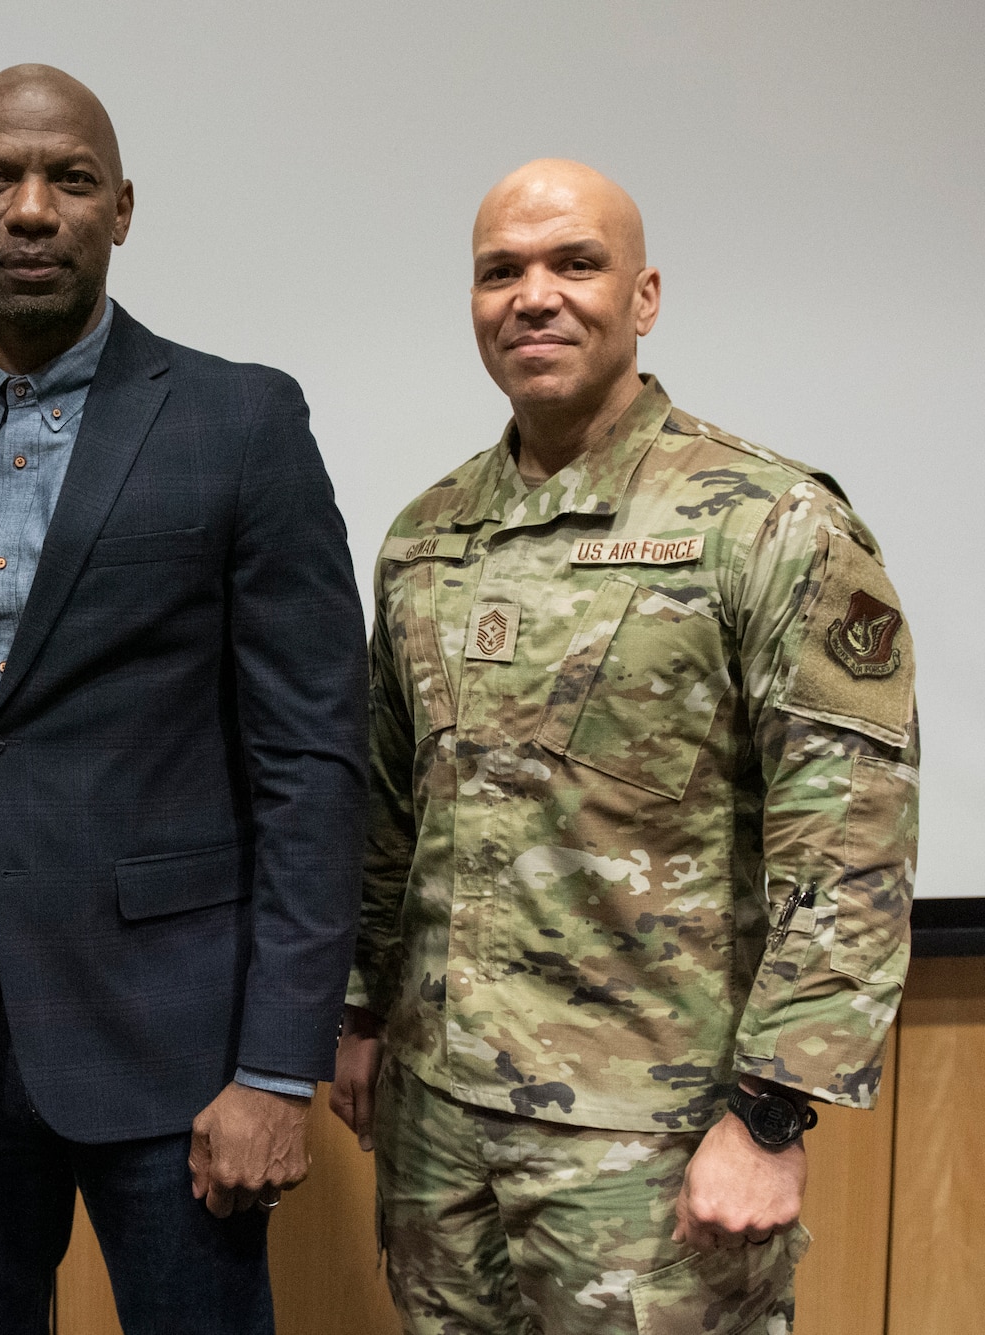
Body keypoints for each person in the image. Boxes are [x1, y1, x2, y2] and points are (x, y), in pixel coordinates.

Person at [0, 64, 367, 1334]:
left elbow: (312, 766)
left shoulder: (241, 420)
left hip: (179, 1048)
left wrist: (278, 1067)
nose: (32, 209)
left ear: (121, 208)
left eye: (68, 179)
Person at [330, 159, 918, 1333]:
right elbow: (391, 809)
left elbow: (847, 837)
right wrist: (355, 1013)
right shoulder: (425, 536)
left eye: (572, 265)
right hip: (439, 1132)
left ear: (642, 297)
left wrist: (767, 1117)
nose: (532, 296)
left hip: (650, 1147)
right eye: (500, 271)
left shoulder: (766, 521)